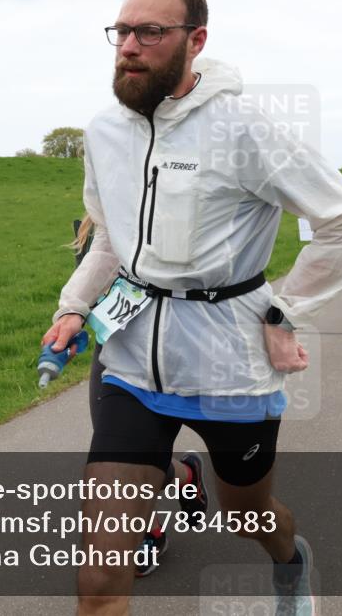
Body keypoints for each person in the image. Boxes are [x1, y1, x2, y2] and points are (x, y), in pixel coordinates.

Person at [41, 0, 342, 616]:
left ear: (195, 42)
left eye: (150, 32)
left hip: (232, 365)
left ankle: (290, 561)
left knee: (246, 514)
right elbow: (111, 238)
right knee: (100, 568)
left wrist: (285, 311)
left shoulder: (244, 128)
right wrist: (73, 306)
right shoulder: (104, 133)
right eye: (122, 31)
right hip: (132, 361)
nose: (129, 46)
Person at [73, 215, 208, 578]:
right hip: (115, 344)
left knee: (137, 453)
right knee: (116, 449)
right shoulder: (101, 216)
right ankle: (184, 475)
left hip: (173, 341)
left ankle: (148, 529)